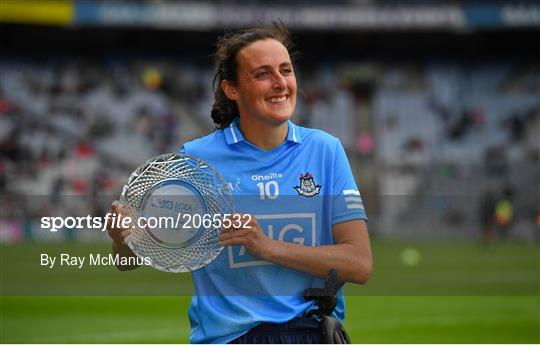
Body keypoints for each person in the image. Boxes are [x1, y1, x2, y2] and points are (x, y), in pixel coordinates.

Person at [107, 23, 372, 344]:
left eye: (285, 70)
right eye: (262, 74)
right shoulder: (196, 160)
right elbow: (132, 260)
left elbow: (359, 265)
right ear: (232, 89)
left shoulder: (325, 150)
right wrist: (123, 240)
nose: (280, 83)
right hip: (229, 339)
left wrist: (267, 247)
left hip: (309, 333)